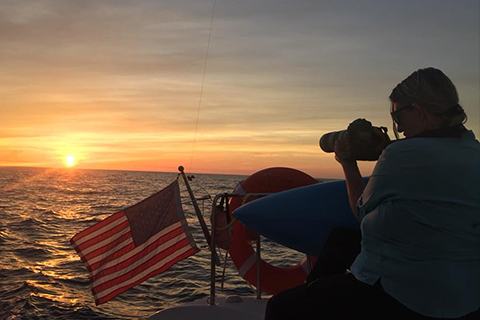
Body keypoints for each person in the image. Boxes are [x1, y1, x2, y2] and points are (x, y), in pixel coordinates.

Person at [265, 67, 480, 319]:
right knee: (341, 240)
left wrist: (347, 162)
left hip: (406, 293)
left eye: (397, 116)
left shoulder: (401, 156)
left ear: (419, 111)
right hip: (463, 293)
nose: (397, 125)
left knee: (281, 307)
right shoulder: (473, 151)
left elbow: (360, 210)